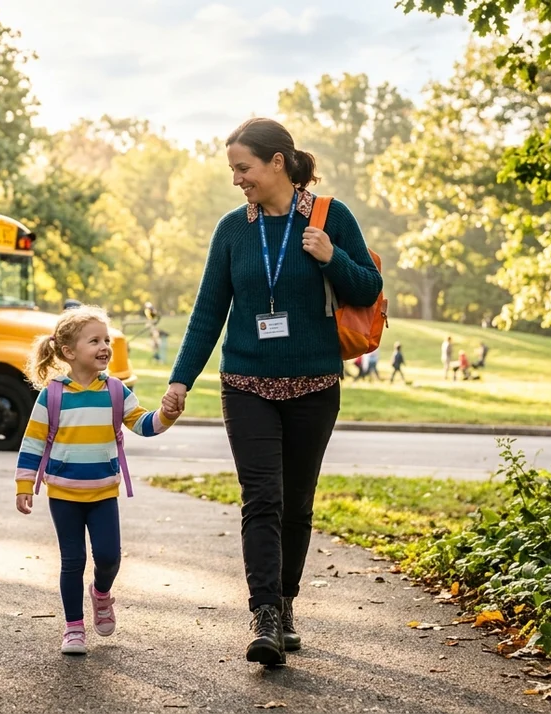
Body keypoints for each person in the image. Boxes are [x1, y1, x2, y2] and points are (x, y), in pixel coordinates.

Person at [163, 117, 382, 666]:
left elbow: (368, 288)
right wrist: (179, 381)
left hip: (314, 384)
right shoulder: (233, 230)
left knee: (297, 503)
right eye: (233, 170)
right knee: (262, 497)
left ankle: (285, 604)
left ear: (277, 163)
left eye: (244, 168)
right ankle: (262, 614)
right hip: (246, 384)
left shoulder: (332, 217)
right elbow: (208, 312)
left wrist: (332, 256)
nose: (237, 179)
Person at [15, 305, 181, 656]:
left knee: (108, 557)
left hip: (104, 491)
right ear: (69, 352)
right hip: (63, 493)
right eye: (95, 341)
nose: (105, 346)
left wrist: (166, 414)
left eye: (106, 339)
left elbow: (144, 425)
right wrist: (24, 484)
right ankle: (74, 627)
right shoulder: (53, 395)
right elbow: (32, 443)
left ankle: (101, 594)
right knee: (71, 561)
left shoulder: (116, 391)